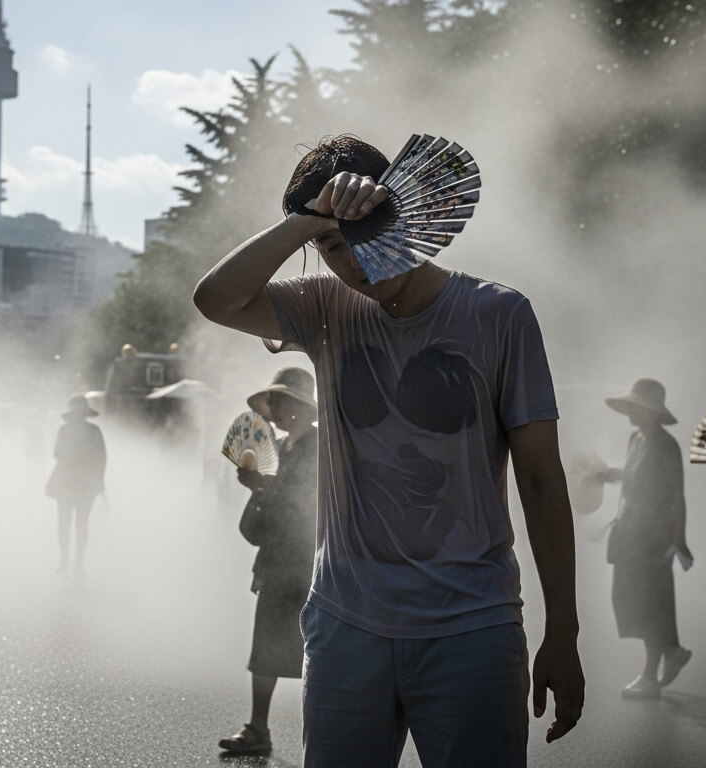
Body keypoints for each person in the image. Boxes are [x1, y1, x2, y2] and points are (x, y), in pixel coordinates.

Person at [193, 135, 584, 766]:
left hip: (472, 625)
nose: (348, 263)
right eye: (330, 248)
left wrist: (562, 628)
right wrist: (307, 222)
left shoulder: (499, 313)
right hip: (346, 622)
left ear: (400, 212)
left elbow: (541, 481)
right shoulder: (324, 308)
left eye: (359, 236)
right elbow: (215, 300)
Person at [218, 366, 319, 755]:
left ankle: (326, 734)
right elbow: (254, 529)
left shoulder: (317, 447)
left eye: (280, 400)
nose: (273, 407)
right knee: (266, 647)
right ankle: (258, 727)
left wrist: (266, 488)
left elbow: (307, 506)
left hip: (311, 564)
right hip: (277, 561)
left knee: (319, 651)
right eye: (271, 401)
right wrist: (258, 491)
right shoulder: (274, 449)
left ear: (299, 406)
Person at [599, 377, 693, 700]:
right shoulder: (634, 440)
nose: (630, 411)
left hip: (654, 535)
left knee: (652, 603)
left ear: (652, 410)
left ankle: (650, 674)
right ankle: (673, 650)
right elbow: (636, 474)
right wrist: (614, 474)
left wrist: (678, 539)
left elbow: (676, 496)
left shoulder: (667, 446)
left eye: (636, 406)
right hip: (630, 533)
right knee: (629, 599)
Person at [44, 394, 106, 574]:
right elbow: (101, 458)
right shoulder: (93, 431)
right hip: (79, 483)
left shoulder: (66, 430)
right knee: (78, 525)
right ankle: (72, 562)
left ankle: (71, 561)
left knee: (70, 524)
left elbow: (57, 454)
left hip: (71, 482)